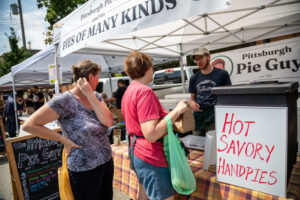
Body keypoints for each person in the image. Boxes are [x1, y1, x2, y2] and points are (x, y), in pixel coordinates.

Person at [22, 60, 114, 200]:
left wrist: (90, 95)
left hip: (106, 162)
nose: (98, 81)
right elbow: (29, 125)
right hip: (84, 169)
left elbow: (108, 122)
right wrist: (63, 139)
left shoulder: (96, 96)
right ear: (91, 77)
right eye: (97, 77)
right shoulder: (64, 100)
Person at [122, 51, 188, 200]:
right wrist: (177, 111)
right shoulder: (144, 91)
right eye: (152, 66)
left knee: (144, 196)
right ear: (147, 68)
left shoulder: (130, 90)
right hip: (151, 156)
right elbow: (151, 134)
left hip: (138, 152)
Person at [189, 47, 232, 135]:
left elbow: (229, 96)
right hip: (198, 116)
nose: (198, 62)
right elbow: (192, 98)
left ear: (208, 57)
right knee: (196, 144)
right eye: (196, 60)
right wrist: (192, 103)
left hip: (215, 116)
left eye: (200, 58)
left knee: (213, 144)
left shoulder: (222, 74)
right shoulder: (194, 78)